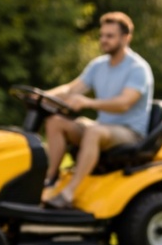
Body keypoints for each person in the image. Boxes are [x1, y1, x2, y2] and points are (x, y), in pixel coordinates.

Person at [40, 12, 154, 208]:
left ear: (126, 38)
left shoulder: (138, 69)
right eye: (102, 35)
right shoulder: (98, 65)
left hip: (130, 132)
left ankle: (69, 193)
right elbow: (71, 89)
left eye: (110, 36)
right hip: (104, 127)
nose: (104, 40)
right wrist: (43, 95)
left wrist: (89, 103)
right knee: (56, 121)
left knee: (93, 131)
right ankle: (48, 180)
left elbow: (124, 103)